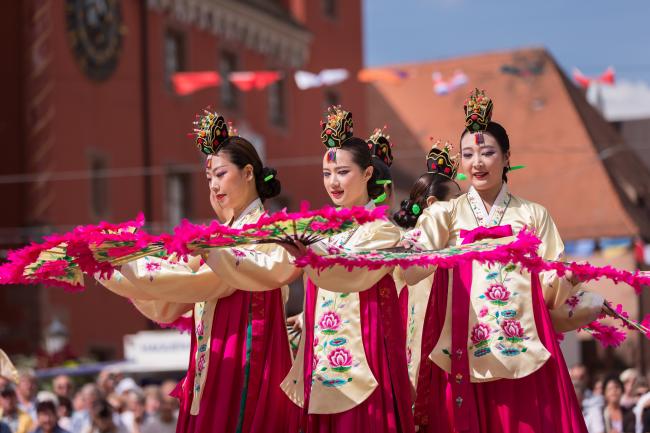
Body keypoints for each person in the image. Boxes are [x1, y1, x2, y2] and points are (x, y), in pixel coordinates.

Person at [404, 89, 606, 433]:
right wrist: (403, 250)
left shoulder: (532, 214)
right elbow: (416, 261)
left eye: (487, 152)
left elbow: (550, 287)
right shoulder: (446, 214)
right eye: (468, 154)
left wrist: (566, 277)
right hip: (463, 348)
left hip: (523, 344)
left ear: (507, 156)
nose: (477, 162)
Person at [96, 111, 301, 433]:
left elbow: (202, 281)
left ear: (248, 172)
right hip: (214, 355)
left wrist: (126, 264)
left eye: (221, 174)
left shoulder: (269, 230)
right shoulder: (221, 236)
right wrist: (109, 267)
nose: (215, 186)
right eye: (209, 180)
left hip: (246, 350)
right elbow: (173, 291)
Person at [280, 106, 414, 433]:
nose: (333, 183)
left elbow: (350, 272)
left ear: (368, 174)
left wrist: (308, 251)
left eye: (342, 172)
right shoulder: (322, 230)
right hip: (322, 359)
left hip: (366, 352)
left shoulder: (383, 231)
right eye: (327, 174)